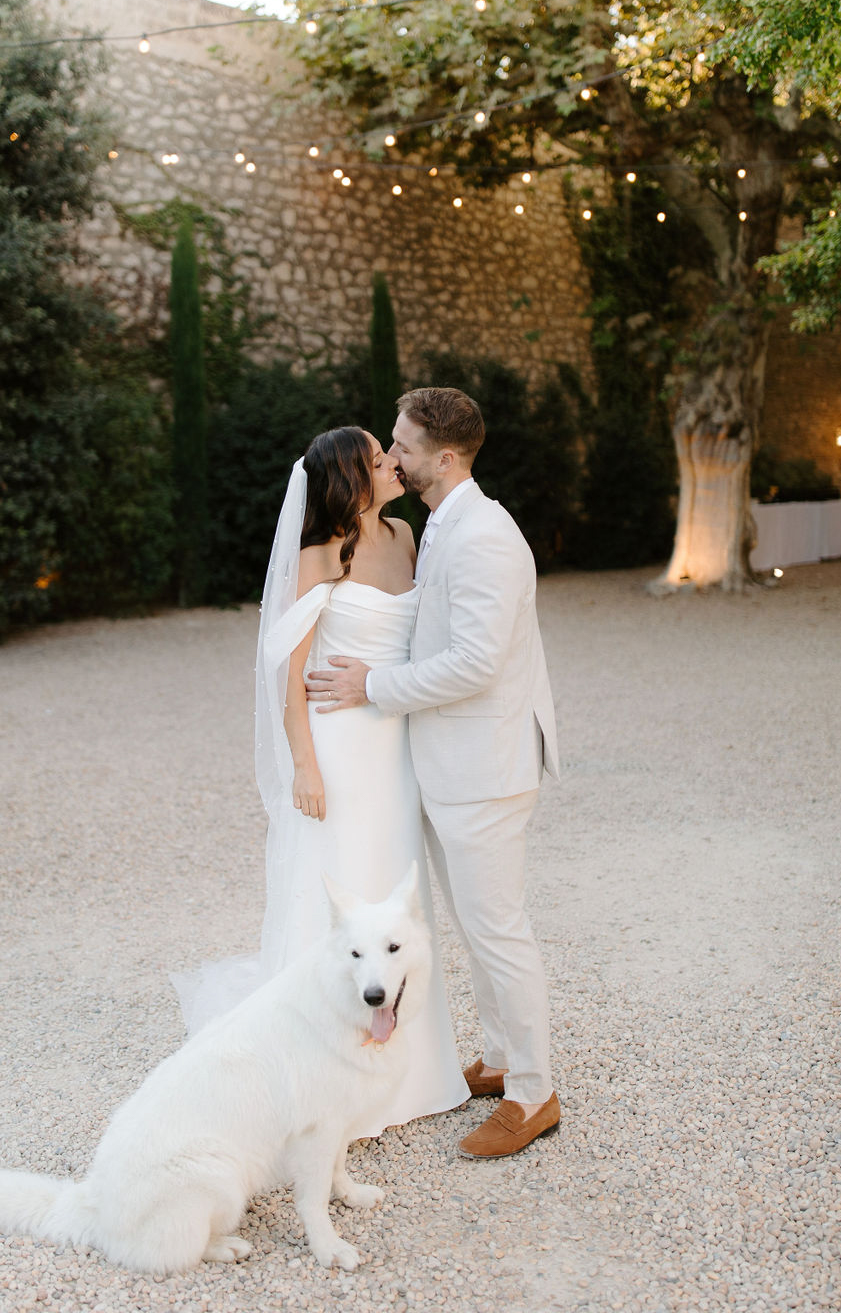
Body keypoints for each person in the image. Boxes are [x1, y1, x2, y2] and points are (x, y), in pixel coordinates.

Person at [173, 425, 468, 1135]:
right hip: (337, 750)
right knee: (334, 890)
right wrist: (303, 762)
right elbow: (291, 672)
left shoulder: (404, 537)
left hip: (394, 747)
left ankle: (411, 1067)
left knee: (396, 898)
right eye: (377, 459)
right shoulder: (321, 552)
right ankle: (314, 1073)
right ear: (351, 477)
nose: (393, 463)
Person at [305, 388, 561, 1159]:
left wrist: (372, 686)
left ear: (443, 459)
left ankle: (534, 1093)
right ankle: (500, 1055)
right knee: (477, 927)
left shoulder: (483, 536)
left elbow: (477, 664)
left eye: (403, 446)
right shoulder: (443, 524)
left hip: (485, 767)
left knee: (498, 929)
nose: (392, 457)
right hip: (452, 766)